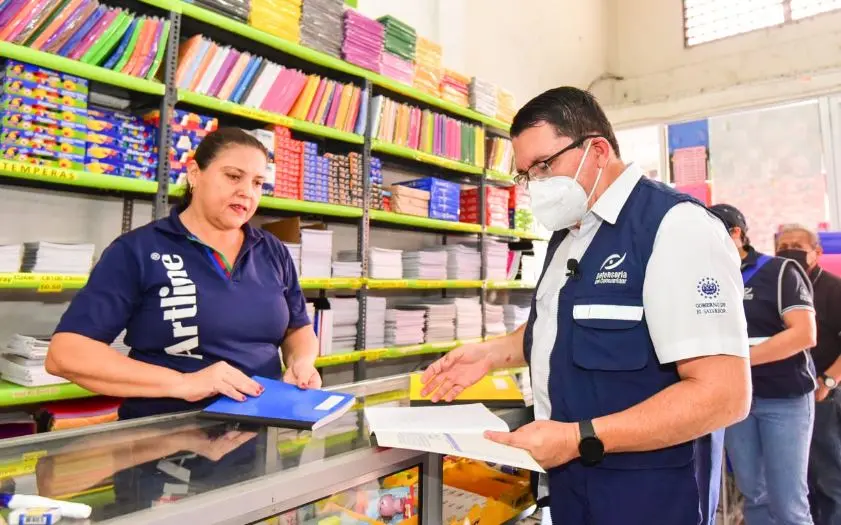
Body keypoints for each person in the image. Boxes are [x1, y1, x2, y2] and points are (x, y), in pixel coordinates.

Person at [421, 86, 751, 525]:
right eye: (525, 175)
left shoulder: (676, 227)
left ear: (597, 149)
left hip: (650, 495)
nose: (535, 185)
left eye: (544, 166)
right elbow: (568, 326)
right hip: (574, 485)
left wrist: (580, 437)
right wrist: (492, 354)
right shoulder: (571, 233)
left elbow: (723, 395)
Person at [46, 127, 321, 419]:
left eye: (257, 182)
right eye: (233, 176)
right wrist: (185, 383)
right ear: (194, 173)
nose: (247, 191)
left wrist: (300, 362)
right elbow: (66, 354)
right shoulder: (138, 249)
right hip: (166, 437)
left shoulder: (272, 250)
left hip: (262, 428)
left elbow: (297, 327)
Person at [710, 205, 818, 525]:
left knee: (788, 503)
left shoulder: (780, 271)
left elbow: (804, 334)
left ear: (737, 234)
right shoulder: (709, 277)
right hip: (735, 403)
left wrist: (739, 362)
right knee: (754, 496)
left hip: (784, 399)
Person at [775, 224, 841, 525]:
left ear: (817, 252)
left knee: (828, 478)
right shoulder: (776, 284)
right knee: (798, 482)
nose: (788, 250)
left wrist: (828, 381)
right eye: (782, 244)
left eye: (796, 245)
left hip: (824, 395)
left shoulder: (833, 288)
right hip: (786, 395)